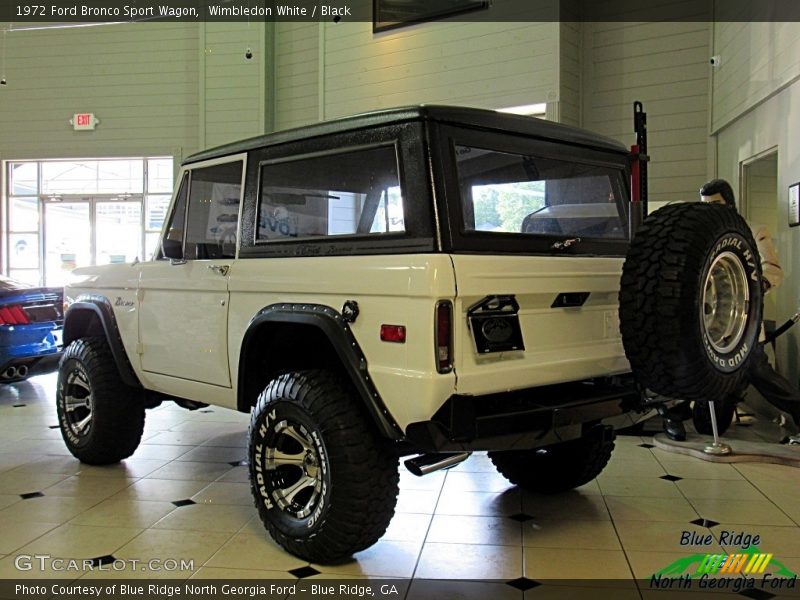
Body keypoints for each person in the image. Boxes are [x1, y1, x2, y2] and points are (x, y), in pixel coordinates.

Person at [698, 178, 800, 431]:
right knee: (711, 375)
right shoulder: (701, 235)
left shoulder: (753, 231)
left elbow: (771, 269)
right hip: (712, 322)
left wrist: (756, 287)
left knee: (759, 372)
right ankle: (706, 418)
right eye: (706, 205)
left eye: (717, 204)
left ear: (730, 204)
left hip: (745, 319)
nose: (712, 210)